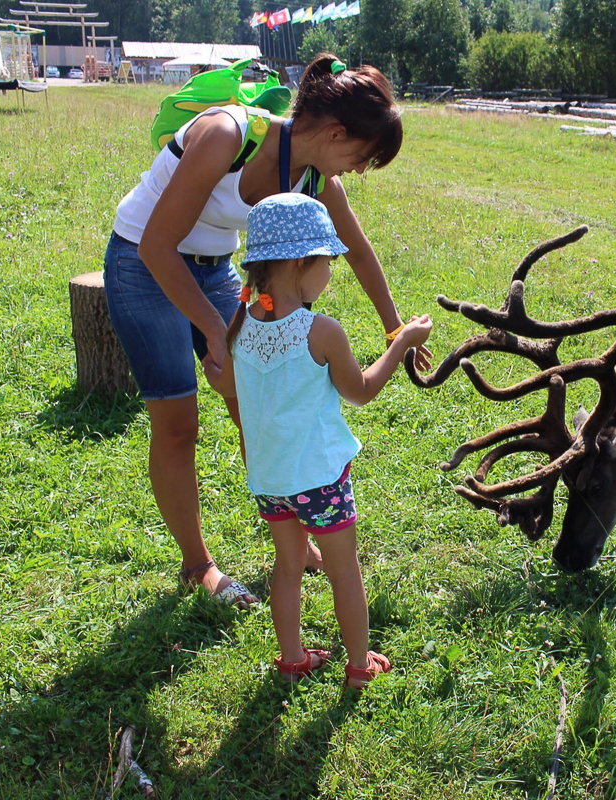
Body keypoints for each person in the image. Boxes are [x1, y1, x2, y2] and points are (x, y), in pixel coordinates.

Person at [103, 52, 429, 607]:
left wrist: (393, 325)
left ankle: (294, 542)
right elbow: (158, 246)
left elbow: (356, 249)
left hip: (215, 269)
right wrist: (215, 330)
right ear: (335, 132)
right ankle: (198, 565)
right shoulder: (227, 135)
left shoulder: (313, 176)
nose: (356, 170)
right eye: (361, 157)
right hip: (143, 263)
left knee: (255, 408)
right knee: (178, 424)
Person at [203, 192, 432, 687]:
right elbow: (361, 392)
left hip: (270, 480)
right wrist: (401, 343)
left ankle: (292, 661)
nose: (331, 271)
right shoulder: (321, 331)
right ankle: (359, 667)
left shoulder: (241, 325)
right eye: (328, 261)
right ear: (299, 263)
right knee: (344, 571)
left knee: (288, 568)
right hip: (320, 481)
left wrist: (210, 367)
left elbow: (226, 385)